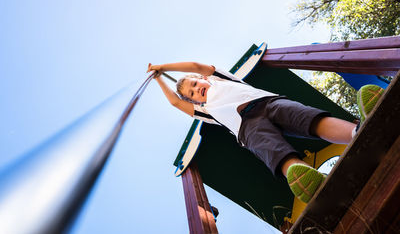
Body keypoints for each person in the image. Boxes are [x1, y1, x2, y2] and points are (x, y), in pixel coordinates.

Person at [147, 61, 382, 203]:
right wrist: (159, 79)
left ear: (203, 78)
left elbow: (196, 66)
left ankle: (357, 131)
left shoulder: (219, 77)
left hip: (267, 103)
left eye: (196, 84)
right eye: (193, 93)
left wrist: (164, 67)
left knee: (307, 119)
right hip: (246, 127)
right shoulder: (205, 110)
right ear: (194, 102)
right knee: (273, 150)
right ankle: (307, 180)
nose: (197, 90)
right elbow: (176, 103)